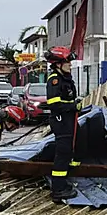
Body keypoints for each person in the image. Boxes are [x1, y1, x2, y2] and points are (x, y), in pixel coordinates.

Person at [45, 46, 79, 202]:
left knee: (67, 153)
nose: (70, 65)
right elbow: (54, 104)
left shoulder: (65, 78)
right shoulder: (55, 80)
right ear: (58, 64)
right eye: (67, 62)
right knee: (62, 154)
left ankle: (63, 183)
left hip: (68, 121)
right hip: (61, 121)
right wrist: (73, 106)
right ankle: (58, 190)